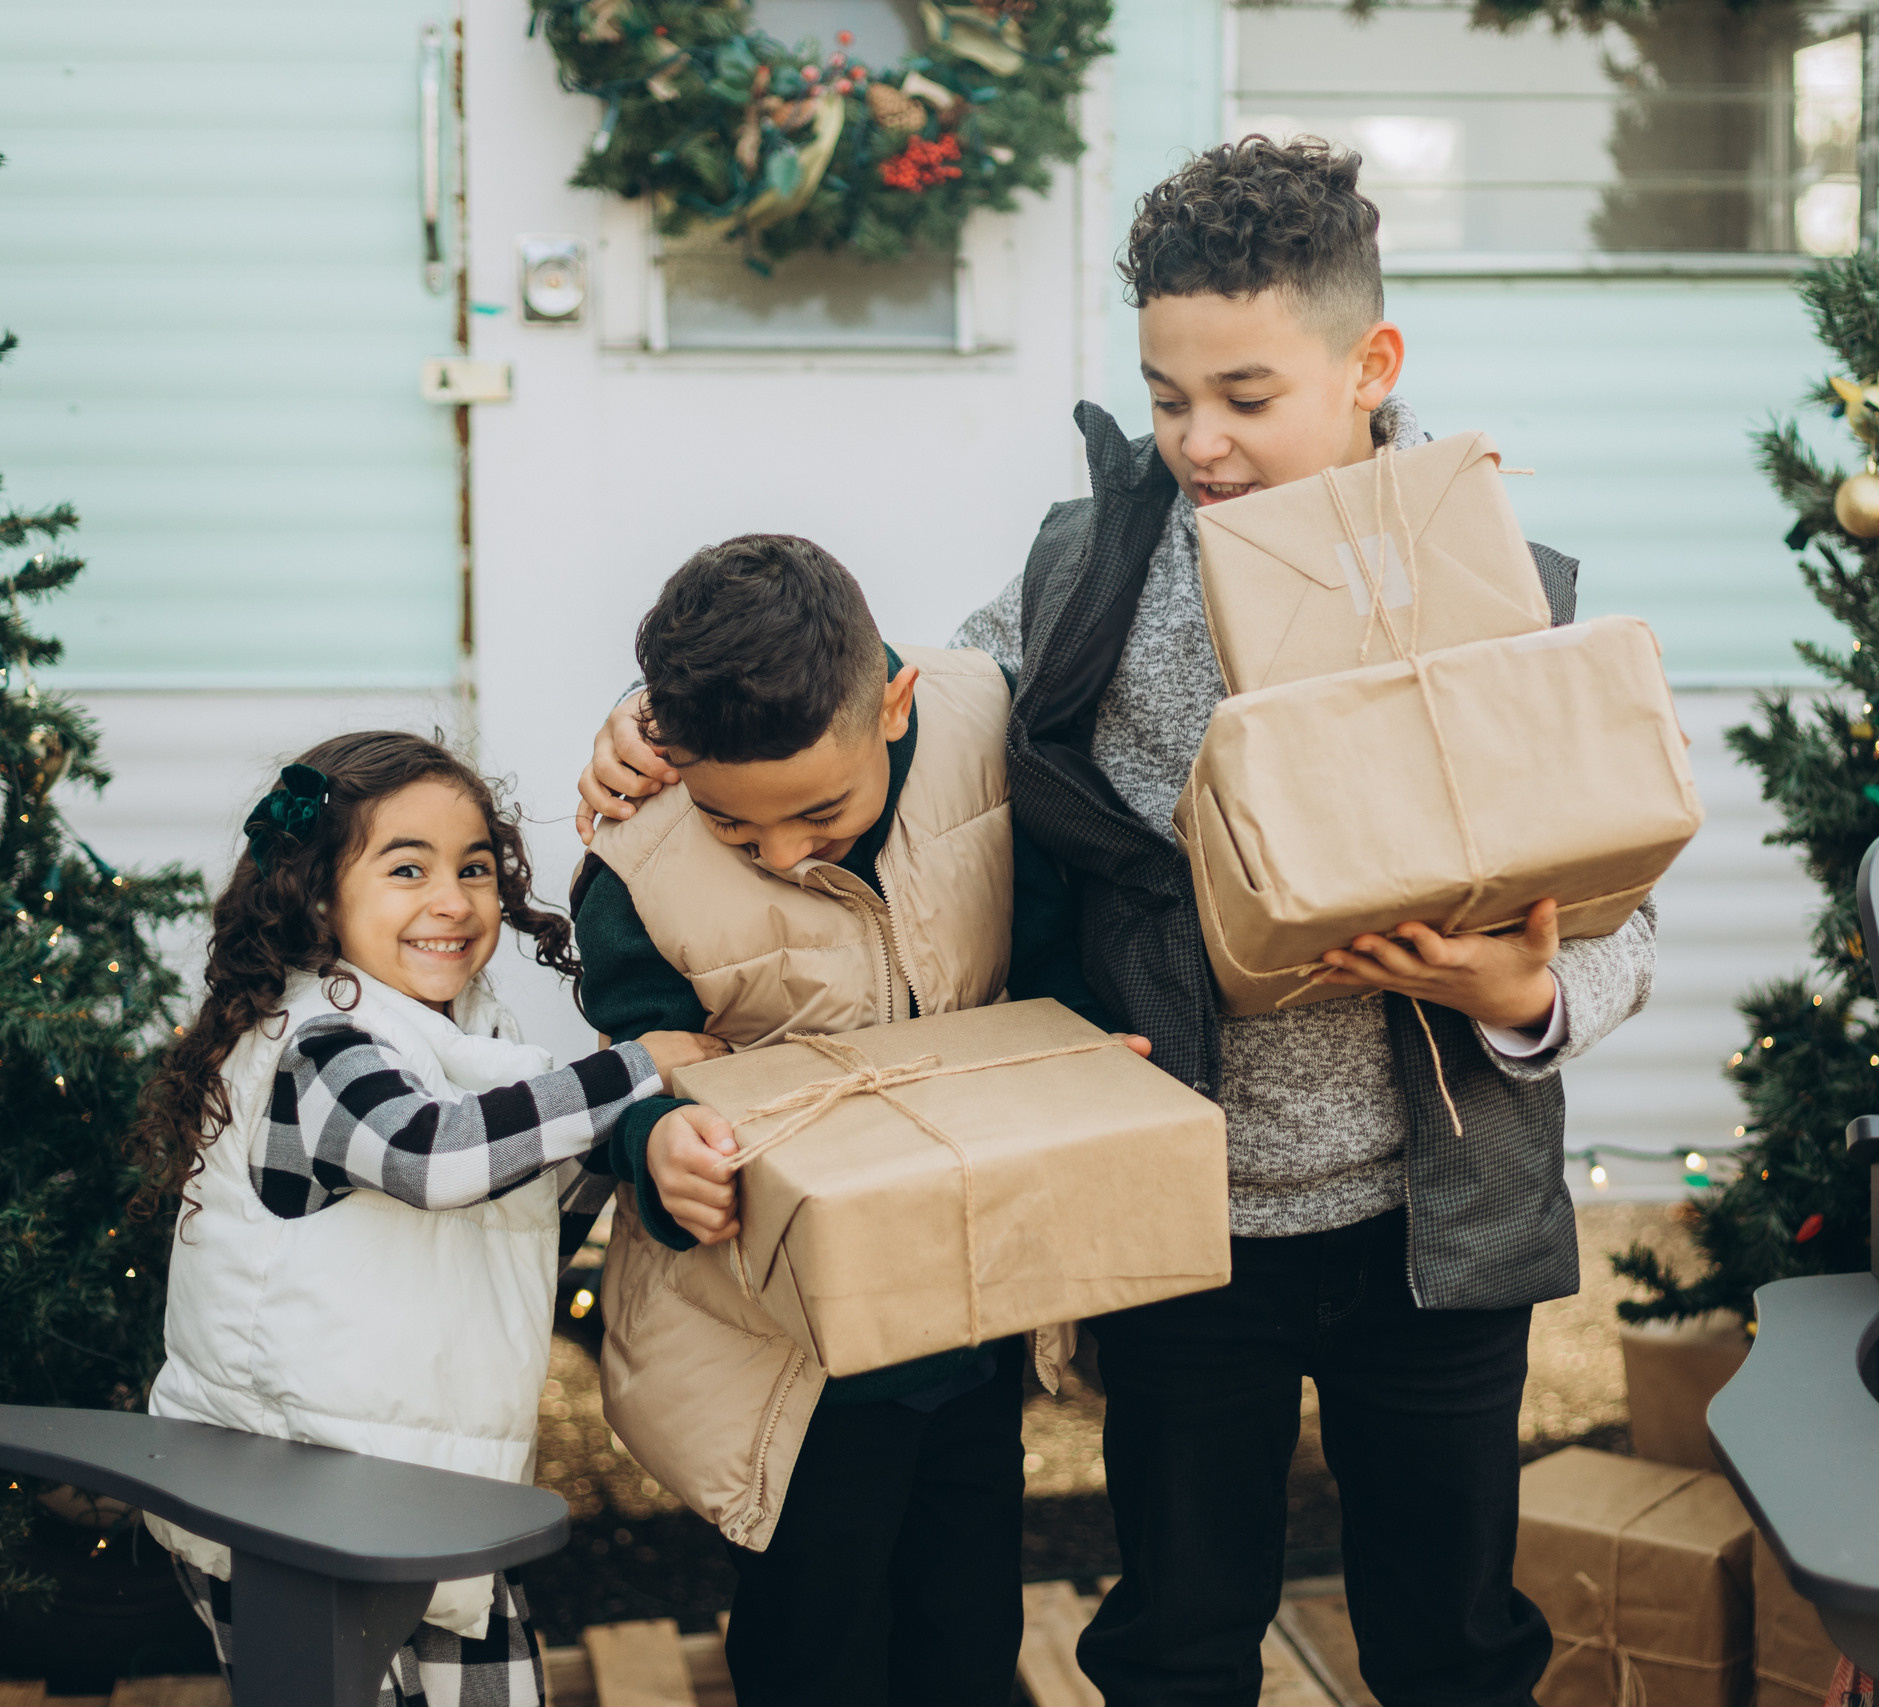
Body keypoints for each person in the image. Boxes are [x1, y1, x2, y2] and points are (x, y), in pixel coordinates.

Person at [579, 141, 1657, 1705]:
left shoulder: (1503, 591)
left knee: (1453, 1631)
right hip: (1182, 1219)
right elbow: (891, 703)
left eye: (1245, 394)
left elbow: (1624, 913)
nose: (1200, 442)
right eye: (1166, 398)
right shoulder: (1095, 568)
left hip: (1438, 1218)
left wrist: (1523, 989)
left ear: (1372, 365)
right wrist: (658, 710)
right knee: (1173, 1630)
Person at [570, 534, 1137, 1707]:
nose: (782, 853)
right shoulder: (637, 859)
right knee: (811, 1640)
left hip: (969, 1314)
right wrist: (653, 1150)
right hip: (781, 1354)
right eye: (738, 829)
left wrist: (1085, 1063)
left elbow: (1049, 956)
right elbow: (632, 1070)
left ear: (894, 706)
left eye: (818, 814)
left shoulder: (989, 731)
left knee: (965, 1621)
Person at [129, 730, 728, 1707]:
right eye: (407, 869)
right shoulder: (319, 1049)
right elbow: (431, 1154)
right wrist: (641, 1066)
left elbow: (528, 1208)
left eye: (476, 869)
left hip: (421, 1495)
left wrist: (652, 1159)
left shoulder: (473, 1053)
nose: (452, 901)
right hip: (291, 1505)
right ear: (315, 894)